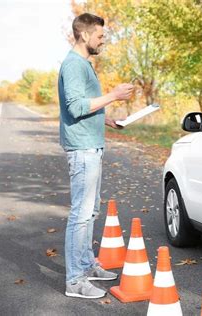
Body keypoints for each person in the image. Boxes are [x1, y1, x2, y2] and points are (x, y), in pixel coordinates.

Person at [58, 13, 134, 299]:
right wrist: (114, 95)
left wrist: (107, 119)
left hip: (92, 144)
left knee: (90, 211)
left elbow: (84, 106)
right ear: (84, 35)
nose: (103, 40)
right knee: (80, 214)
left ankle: (86, 264)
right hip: (82, 148)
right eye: (100, 36)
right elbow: (75, 107)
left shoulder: (83, 65)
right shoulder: (74, 65)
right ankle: (75, 280)